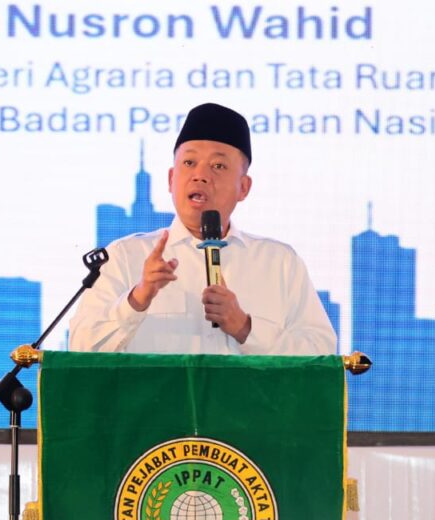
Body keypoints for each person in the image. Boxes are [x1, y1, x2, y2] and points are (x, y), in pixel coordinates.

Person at [69, 102, 336, 356]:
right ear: (171, 179)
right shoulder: (125, 257)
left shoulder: (279, 262)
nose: (200, 175)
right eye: (189, 163)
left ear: (244, 187)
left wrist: (245, 328)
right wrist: (137, 299)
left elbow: (320, 352)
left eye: (218, 166)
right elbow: (81, 348)